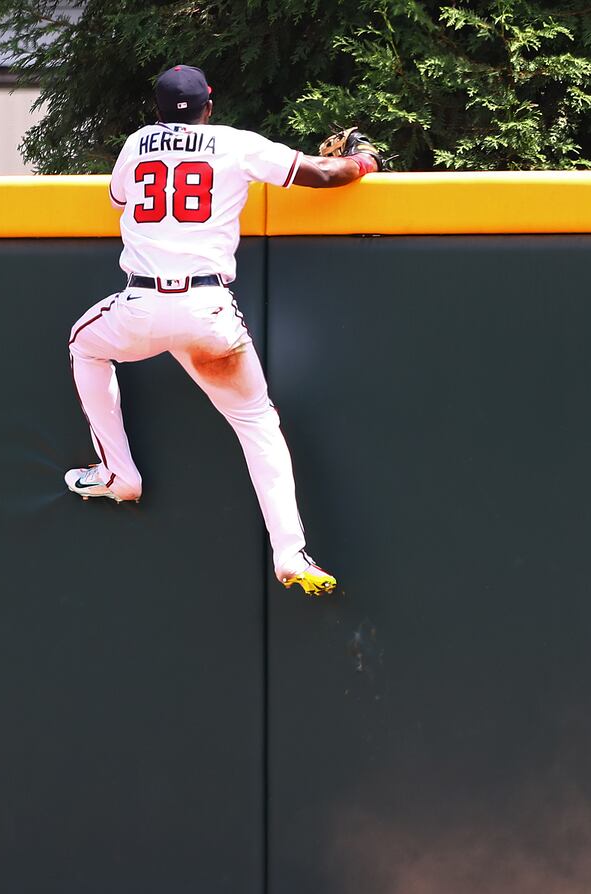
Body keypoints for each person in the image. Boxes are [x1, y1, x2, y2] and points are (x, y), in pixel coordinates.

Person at [66, 64, 380, 596]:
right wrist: (364, 159)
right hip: (208, 310)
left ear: (157, 109)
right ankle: (290, 553)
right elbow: (326, 175)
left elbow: (119, 199)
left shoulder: (137, 143)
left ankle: (118, 474)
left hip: (141, 305)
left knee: (85, 344)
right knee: (257, 422)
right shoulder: (235, 143)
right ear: (209, 105)